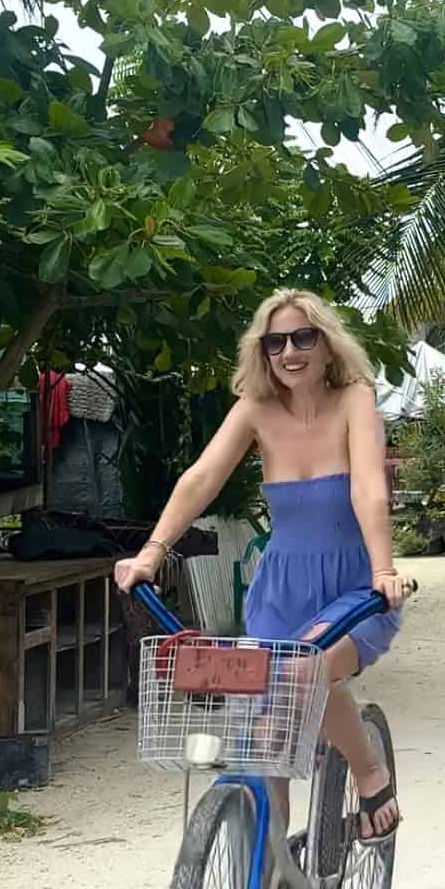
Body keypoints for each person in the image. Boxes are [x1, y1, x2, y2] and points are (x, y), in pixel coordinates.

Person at [115, 288, 409, 856]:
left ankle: (368, 771)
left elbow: (369, 487)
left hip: (354, 585)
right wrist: (153, 550)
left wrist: (384, 570)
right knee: (258, 732)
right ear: (263, 351)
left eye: (304, 337)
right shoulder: (255, 408)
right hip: (280, 589)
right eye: (276, 342)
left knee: (306, 671)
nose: (290, 352)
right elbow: (201, 479)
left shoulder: (355, 398)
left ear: (327, 345)